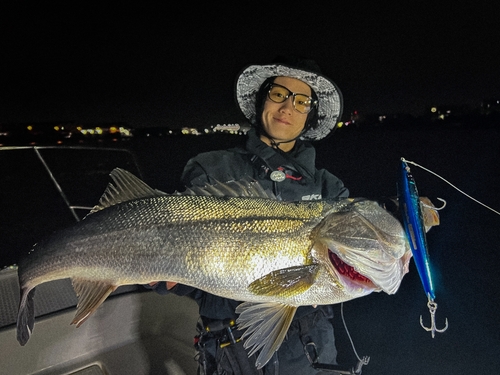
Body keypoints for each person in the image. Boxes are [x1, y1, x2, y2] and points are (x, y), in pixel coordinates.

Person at [151, 56, 349, 374]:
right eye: (278, 94)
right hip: (230, 345)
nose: (287, 108)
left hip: (309, 344)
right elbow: (188, 267)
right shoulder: (212, 169)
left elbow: (347, 266)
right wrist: (166, 278)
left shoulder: (330, 190)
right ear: (261, 101)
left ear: (310, 116)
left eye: (302, 101)